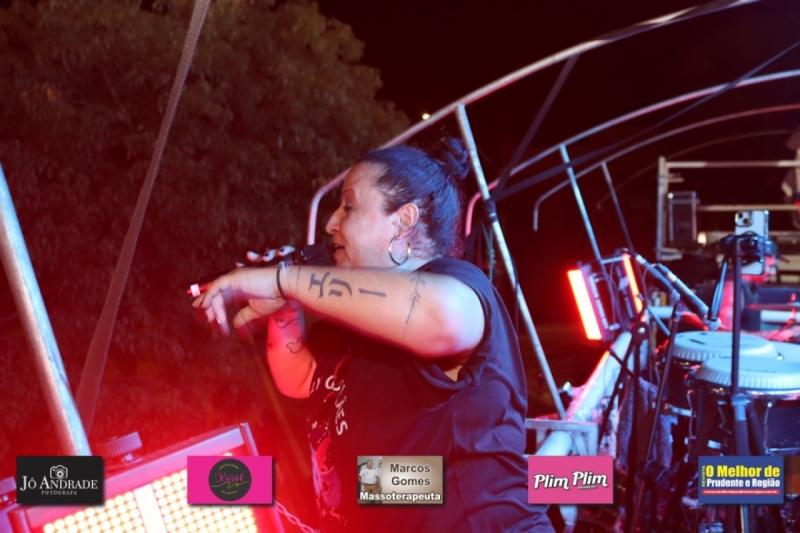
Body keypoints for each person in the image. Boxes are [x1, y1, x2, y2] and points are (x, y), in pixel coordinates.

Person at [193, 138, 554, 533]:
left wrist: (284, 279)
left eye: (349, 206)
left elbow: (442, 318)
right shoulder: (354, 324)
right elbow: (301, 379)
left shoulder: (456, 283)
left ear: (403, 222)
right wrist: (285, 307)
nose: (331, 223)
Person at [718, 244, 800, 341]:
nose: (773, 272)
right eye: (770, 266)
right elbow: (724, 332)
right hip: (744, 349)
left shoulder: (752, 286)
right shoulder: (732, 286)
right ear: (754, 262)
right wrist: (778, 334)